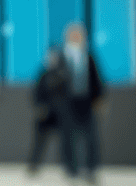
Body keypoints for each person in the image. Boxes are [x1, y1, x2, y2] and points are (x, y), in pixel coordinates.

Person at [61, 21, 104, 180]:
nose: (77, 38)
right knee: (68, 138)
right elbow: (49, 81)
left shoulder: (89, 56)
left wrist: (99, 98)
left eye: (80, 35)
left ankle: (91, 169)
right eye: (74, 35)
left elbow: (96, 80)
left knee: (91, 137)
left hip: (86, 103)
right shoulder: (60, 57)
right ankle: (71, 169)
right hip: (67, 104)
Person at [27, 46, 69, 174]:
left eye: (54, 57)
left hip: (60, 115)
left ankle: (68, 167)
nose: (52, 59)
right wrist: (39, 107)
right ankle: (33, 166)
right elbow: (36, 93)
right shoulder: (43, 74)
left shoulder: (64, 73)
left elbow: (67, 94)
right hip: (44, 115)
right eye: (50, 56)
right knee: (39, 142)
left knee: (65, 142)